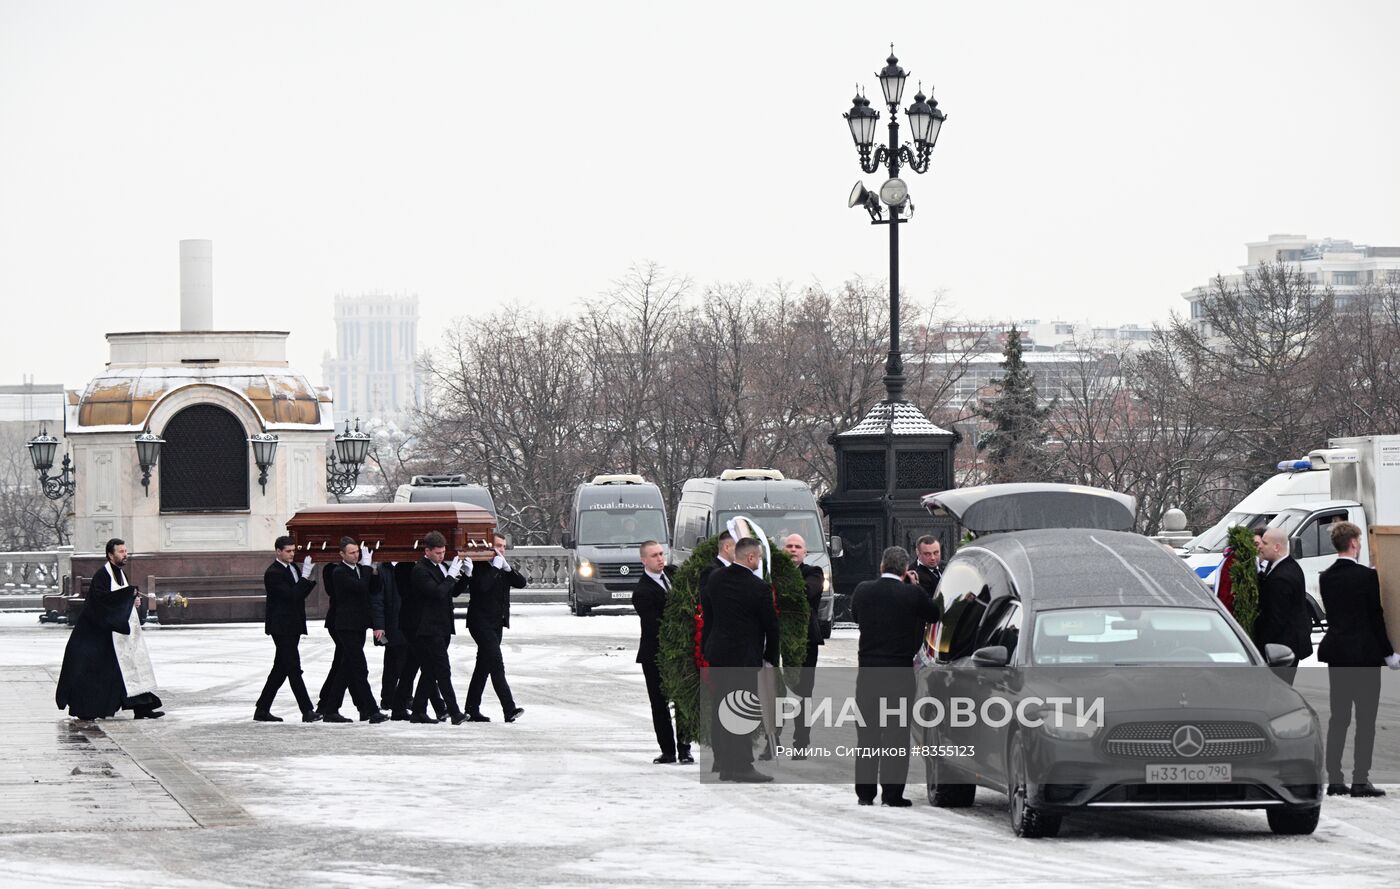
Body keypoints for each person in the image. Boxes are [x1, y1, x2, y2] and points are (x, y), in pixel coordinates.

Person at [851, 546, 941, 807]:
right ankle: (892, 794)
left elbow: (857, 617)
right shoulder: (911, 594)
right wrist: (915, 587)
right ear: (904, 570)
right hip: (899, 673)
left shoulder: (863, 590)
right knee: (895, 734)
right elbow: (933, 613)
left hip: (868, 672)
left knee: (867, 734)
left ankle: (865, 794)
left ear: (881, 566)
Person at [1317, 521, 1400, 798]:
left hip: (1338, 654)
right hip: (1364, 655)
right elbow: (1375, 617)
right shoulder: (1366, 577)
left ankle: (1336, 779)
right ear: (1354, 543)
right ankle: (1360, 779)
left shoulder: (1326, 577)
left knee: (1338, 717)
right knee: (1365, 719)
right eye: (1360, 541)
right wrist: (1389, 653)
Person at [56, 538, 164, 720]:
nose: (125, 554)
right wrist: (128, 597)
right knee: (101, 672)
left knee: (127, 667)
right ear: (110, 555)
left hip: (114, 633)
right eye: (121, 552)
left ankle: (142, 708)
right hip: (96, 634)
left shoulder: (121, 574)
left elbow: (121, 597)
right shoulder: (102, 576)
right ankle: (87, 709)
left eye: (125, 551)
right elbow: (101, 602)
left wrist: (133, 600)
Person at [701, 536, 779, 783]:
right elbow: (771, 627)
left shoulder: (715, 579)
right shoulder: (759, 588)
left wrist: (707, 650)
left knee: (722, 708)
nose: (760, 561)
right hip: (744, 658)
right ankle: (742, 765)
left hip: (718, 655)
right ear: (751, 557)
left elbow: (709, 617)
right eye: (759, 557)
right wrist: (770, 657)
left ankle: (724, 763)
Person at [633, 539, 692, 764]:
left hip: (680, 653)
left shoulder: (674, 573)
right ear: (644, 560)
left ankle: (685, 748)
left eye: (661, 554)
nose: (660, 559)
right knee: (660, 703)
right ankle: (668, 751)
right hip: (656, 654)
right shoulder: (642, 592)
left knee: (683, 701)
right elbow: (657, 625)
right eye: (654, 555)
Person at [318, 538, 388, 724]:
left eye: (357, 552)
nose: (356, 555)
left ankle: (331, 710)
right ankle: (372, 711)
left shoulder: (359, 569)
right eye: (352, 553)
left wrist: (373, 570)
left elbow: (373, 588)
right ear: (341, 554)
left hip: (358, 625)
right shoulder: (339, 571)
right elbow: (359, 588)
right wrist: (365, 568)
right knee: (359, 667)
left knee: (345, 668)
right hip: (346, 626)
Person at [408, 531, 473, 725]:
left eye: (443, 552)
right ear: (427, 551)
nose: (442, 555)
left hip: (442, 626)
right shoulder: (420, 570)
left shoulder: (442, 567)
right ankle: (454, 712)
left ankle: (418, 711)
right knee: (443, 670)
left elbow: (451, 592)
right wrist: (451, 576)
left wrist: (466, 576)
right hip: (428, 628)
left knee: (430, 670)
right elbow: (436, 593)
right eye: (437, 552)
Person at [254, 536, 321, 723]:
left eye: (293, 551)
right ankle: (307, 710)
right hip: (281, 626)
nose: (292, 554)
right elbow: (291, 596)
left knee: (280, 669)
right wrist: (305, 578)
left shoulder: (292, 568)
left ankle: (262, 709)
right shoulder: (273, 572)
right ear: (278, 551)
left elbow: (299, 595)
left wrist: (307, 579)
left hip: (293, 625)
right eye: (288, 551)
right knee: (293, 667)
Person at [464, 533, 528, 723]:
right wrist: (495, 569)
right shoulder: (481, 566)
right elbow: (482, 587)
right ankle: (509, 708)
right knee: (496, 664)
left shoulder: (502, 567)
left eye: (504, 547)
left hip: (497, 623)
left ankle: (471, 709)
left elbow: (521, 583)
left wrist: (508, 569)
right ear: (489, 547)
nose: (501, 550)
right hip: (480, 622)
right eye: (498, 546)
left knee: (483, 667)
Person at [381, 561, 447, 721]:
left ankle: (399, 707)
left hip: (417, 623)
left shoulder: (424, 566)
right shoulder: (406, 568)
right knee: (428, 665)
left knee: (411, 667)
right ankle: (420, 709)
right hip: (413, 624)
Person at [782, 533, 824, 756]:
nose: (792, 549)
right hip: (779, 640)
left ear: (805, 552)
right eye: (789, 546)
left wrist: (783, 585)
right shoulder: (774, 575)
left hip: (806, 640)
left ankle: (800, 743)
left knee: (803, 692)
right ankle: (773, 740)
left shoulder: (813, 573)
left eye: (797, 546)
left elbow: (807, 592)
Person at [1254, 527, 1313, 685]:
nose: (1260, 546)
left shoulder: (1281, 578)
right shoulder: (1289, 566)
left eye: (1264, 543)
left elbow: (1276, 619)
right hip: (1288, 644)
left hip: (1281, 648)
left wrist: (1258, 648)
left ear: (1276, 547)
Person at [698, 530, 735, 594]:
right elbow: (707, 600)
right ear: (727, 547)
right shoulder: (710, 571)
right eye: (739, 548)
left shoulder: (736, 569)